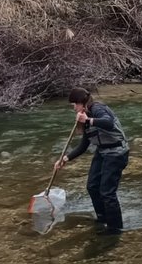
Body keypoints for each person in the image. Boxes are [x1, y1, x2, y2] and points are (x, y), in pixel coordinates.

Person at [53, 87, 130, 235]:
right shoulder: (85, 117)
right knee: (92, 186)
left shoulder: (98, 109)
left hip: (117, 153)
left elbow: (108, 123)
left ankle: (115, 228)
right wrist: (65, 159)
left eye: (74, 105)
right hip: (102, 152)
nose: (74, 108)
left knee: (107, 192)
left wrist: (88, 120)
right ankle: (102, 218)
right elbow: (84, 145)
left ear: (82, 103)